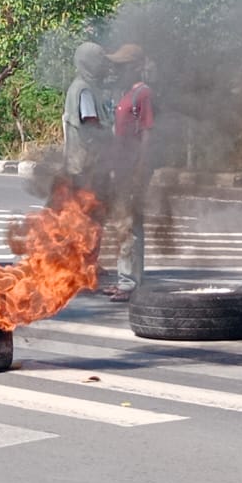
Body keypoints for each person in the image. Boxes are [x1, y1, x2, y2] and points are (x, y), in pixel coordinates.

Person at [103, 43, 155, 303]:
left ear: (135, 66)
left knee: (128, 225)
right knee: (127, 224)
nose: (117, 69)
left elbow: (147, 133)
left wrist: (139, 169)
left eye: (122, 65)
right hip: (121, 167)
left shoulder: (143, 94)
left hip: (133, 168)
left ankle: (129, 282)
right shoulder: (125, 93)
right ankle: (129, 280)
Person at [62, 42, 114, 191]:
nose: (104, 66)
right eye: (100, 61)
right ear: (89, 63)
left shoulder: (83, 86)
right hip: (86, 162)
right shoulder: (84, 89)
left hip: (82, 161)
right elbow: (91, 123)